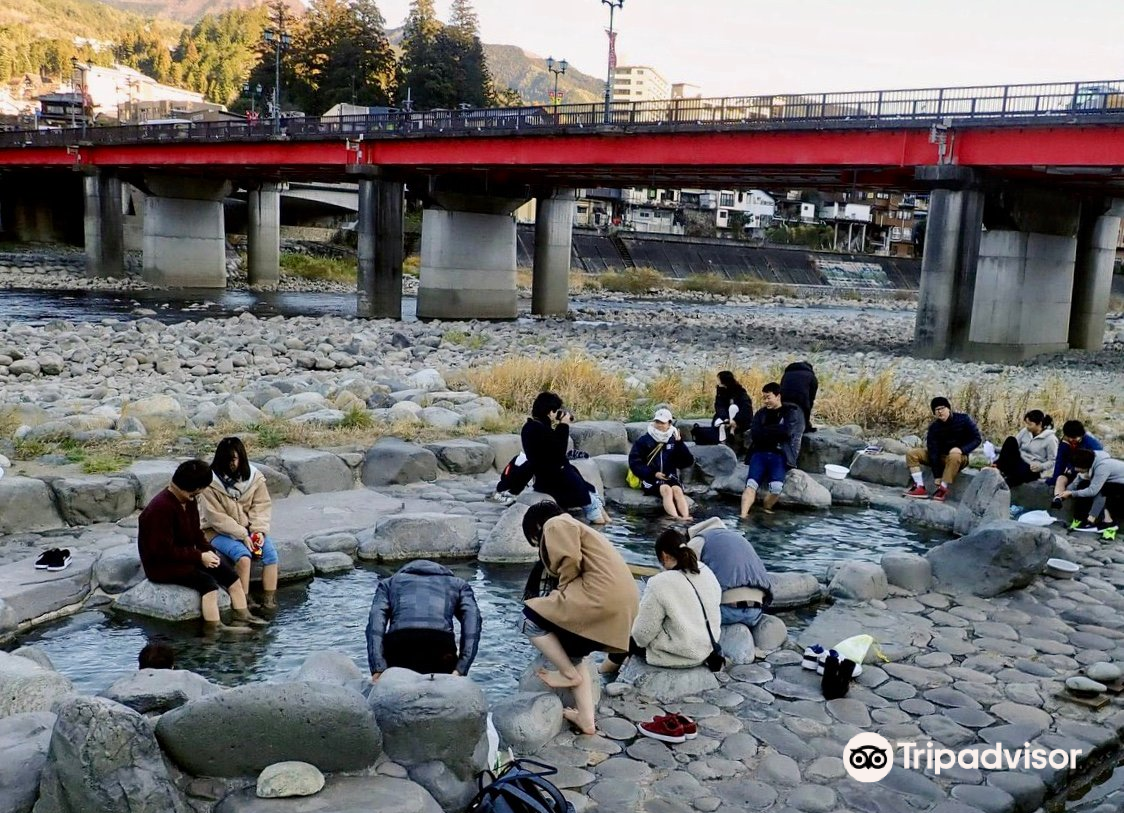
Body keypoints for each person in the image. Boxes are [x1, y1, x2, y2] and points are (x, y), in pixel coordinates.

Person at [521, 502, 639, 736]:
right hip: (622, 604)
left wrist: (561, 594)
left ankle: (568, 674)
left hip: (600, 598)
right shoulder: (583, 529)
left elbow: (569, 560)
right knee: (573, 653)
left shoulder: (556, 523)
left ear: (537, 525)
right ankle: (587, 721)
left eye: (535, 540)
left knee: (528, 618)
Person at [137, 460, 265, 633]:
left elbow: (196, 533)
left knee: (230, 576)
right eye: (201, 489)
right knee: (208, 583)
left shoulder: (188, 500)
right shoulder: (159, 509)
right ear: (194, 487)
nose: (202, 493)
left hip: (187, 556)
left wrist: (209, 552)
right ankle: (215, 627)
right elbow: (162, 551)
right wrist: (199, 557)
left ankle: (243, 615)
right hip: (162, 565)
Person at [603, 528, 722, 672]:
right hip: (708, 648)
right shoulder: (706, 571)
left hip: (681, 654)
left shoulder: (659, 583)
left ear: (664, 556)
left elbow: (642, 635)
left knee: (628, 638)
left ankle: (604, 671)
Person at [198, 437, 280, 611]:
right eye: (227, 460)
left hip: (250, 530)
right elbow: (216, 517)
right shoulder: (210, 483)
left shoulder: (255, 478)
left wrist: (258, 531)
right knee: (243, 557)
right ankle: (244, 601)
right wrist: (242, 535)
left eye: (234, 459)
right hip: (216, 532)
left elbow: (261, 505)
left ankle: (269, 600)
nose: (231, 464)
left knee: (271, 556)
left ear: (241, 457)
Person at [366, 559, 482, 681]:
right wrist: (461, 668)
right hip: (441, 650)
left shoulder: (389, 583)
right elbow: (473, 622)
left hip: (399, 649)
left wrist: (378, 667)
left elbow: (375, 623)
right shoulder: (458, 584)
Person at [521, 391, 608, 524]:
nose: (557, 415)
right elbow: (558, 452)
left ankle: (604, 524)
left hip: (550, 478)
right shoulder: (538, 430)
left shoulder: (532, 427)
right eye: (556, 411)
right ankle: (600, 533)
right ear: (550, 412)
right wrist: (564, 425)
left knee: (592, 494)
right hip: (555, 481)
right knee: (592, 507)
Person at [685, 516, 773, 627]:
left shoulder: (698, 540)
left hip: (727, 611)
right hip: (755, 612)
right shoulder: (739, 538)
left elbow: (683, 577)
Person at [741, 382, 805, 517]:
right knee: (751, 484)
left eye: (768, 397)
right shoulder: (760, 414)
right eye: (764, 398)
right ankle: (743, 515)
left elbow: (787, 432)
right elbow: (756, 434)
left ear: (778, 396)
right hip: (759, 453)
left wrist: (767, 431)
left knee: (776, 488)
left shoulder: (790, 412)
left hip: (779, 454)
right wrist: (774, 432)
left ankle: (766, 509)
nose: (765, 401)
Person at [903, 397, 981, 502]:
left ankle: (943, 488)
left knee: (954, 456)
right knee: (912, 453)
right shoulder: (934, 427)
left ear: (948, 408)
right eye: (936, 410)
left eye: (942, 408)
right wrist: (937, 475)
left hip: (959, 457)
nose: (940, 412)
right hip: (940, 457)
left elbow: (977, 439)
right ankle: (920, 487)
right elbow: (933, 452)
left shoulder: (964, 419)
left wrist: (962, 450)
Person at [629, 407, 696, 520]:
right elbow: (634, 462)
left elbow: (687, 461)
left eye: (662, 422)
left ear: (669, 424)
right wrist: (653, 473)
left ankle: (686, 517)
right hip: (650, 478)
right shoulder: (644, 440)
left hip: (669, 476)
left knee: (677, 491)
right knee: (666, 490)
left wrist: (680, 444)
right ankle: (675, 518)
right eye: (657, 422)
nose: (659, 425)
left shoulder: (674, 439)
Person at [1059, 449, 1122, 535]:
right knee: (1085, 484)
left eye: (1077, 466)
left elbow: (1093, 491)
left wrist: (1072, 493)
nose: (1075, 469)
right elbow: (1075, 484)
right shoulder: (1091, 462)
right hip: (1115, 484)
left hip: (1120, 487)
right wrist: (1063, 494)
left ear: (1084, 465)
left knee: (1103, 488)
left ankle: (1098, 521)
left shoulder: (1102, 466)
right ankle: (1081, 518)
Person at [994, 410, 1058, 487]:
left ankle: (1007, 481)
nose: (1027, 426)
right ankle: (998, 467)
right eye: (1026, 423)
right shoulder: (1025, 431)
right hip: (1019, 460)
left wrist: (1041, 467)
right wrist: (994, 449)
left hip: (1032, 468)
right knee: (1011, 440)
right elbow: (1012, 447)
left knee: (1017, 474)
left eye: (1030, 424)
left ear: (1039, 424)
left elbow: (1053, 461)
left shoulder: (1051, 439)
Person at [1050, 420, 1104, 509]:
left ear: (1081, 434)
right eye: (1069, 437)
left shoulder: (1092, 444)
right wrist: (1054, 478)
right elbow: (1060, 461)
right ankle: (1058, 499)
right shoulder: (1065, 442)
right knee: (1060, 479)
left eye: (1074, 437)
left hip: (1086, 474)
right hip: (1072, 472)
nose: (1071, 440)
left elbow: (1098, 463)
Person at [713, 370, 753, 449]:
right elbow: (719, 406)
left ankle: (731, 430)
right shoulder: (720, 391)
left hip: (740, 419)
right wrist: (725, 417)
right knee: (717, 423)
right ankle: (723, 441)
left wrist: (736, 419)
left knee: (733, 407)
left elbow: (746, 408)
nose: (717, 382)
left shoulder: (740, 392)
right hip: (726, 418)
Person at [780, 361, 819, 433]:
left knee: (786, 414)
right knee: (805, 408)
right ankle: (805, 427)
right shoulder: (811, 376)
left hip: (784, 399)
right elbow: (811, 398)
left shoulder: (786, 374)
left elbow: (782, 388)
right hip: (801, 399)